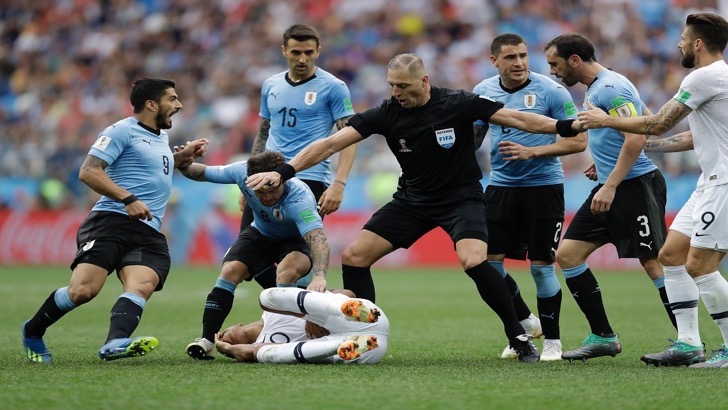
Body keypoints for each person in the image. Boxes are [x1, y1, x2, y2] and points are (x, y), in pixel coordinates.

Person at [247, 53, 585, 362]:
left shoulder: (457, 102)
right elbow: (331, 143)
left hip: (460, 199)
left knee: (474, 260)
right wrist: (284, 171)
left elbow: (516, 118)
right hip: (413, 201)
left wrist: (563, 127)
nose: (397, 93)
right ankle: (364, 329)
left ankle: (519, 336)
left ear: (424, 82)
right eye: (392, 86)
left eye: (404, 86)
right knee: (355, 256)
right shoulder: (387, 113)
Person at [20, 78, 208, 363]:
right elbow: (88, 171)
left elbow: (149, 167)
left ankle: (115, 342)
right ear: (150, 104)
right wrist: (127, 199)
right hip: (111, 220)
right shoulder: (120, 130)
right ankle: (32, 331)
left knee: (141, 285)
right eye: (172, 99)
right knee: (83, 291)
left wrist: (180, 157)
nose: (179, 105)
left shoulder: (161, 137)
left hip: (148, 229)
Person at [578, 12, 728, 368]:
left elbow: (659, 122)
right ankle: (688, 343)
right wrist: (645, 146)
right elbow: (692, 136)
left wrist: (605, 120)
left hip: (723, 183)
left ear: (697, 44)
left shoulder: (704, 77)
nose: (677, 43)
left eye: (682, 38)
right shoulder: (718, 78)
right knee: (671, 254)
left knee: (700, 265)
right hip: (709, 181)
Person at [543, 33, 677, 362]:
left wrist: (611, 183)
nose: (553, 72)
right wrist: (604, 165)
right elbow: (646, 122)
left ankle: (689, 340)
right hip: (612, 181)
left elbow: (635, 139)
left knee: (653, 262)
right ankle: (603, 336)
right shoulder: (604, 86)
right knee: (568, 254)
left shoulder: (609, 88)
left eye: (555, 64)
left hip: (634, 185)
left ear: (575, 60)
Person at [473, 33, 587, 361]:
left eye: (523, 55)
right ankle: (523, 324)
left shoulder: (550, 91)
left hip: (544, 189)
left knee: (541, 268)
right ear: (494, 61)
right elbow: (474, 138)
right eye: (510, 57)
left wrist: (532, 152)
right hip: (500, 188)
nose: (519, 62)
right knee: (487, 265)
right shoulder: (483, 92)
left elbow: (578, 142)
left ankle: (553, 341)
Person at [179, 150, 332, 360]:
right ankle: (206, 341)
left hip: (295, 240)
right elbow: (200, 172)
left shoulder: (300, 198)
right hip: (260, 234)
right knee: (229, 271)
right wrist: (181, 162)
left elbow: (318, 239)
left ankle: (281, 334)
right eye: (261, 192)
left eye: (273, 191)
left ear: (282, 180)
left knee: (286, 272)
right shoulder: (240, 172)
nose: (268, 197)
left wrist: (319, 276)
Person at [241, 23, 356, 289]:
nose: (302, 59)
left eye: (308, 52)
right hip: (266, 178)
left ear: (318, 51)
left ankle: (298, 311)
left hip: (309, 178)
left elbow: (349, 136)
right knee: (246, 258)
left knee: (296, 260)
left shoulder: (334, 87)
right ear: (284, 51)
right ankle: (306, 304)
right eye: (295, 52)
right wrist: (249, 179)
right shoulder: (270, 84)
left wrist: (339, 183)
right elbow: (264, 132)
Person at [214, 287, 388, 364]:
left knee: (265, 298)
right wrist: (227, 349)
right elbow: (247, 354)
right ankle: (340, 347)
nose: (224, 338)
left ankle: (336, 308)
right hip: (365, 349)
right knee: (260, 354)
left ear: (238, 324)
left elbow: (349, 293)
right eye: (222, 340)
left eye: (222, 333)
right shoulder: (257, 347)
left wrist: (310, 317)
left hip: (359, 316)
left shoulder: (271, 312)